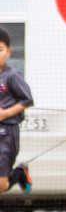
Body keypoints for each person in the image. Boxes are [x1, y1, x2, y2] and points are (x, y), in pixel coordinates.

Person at [0, 28, 33, 195]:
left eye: (0, 50)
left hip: (6, 133)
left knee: (1, 185)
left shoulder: (12, 76)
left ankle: (19, 173)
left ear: (8, 52)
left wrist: (5, 113)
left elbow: (27, 100)